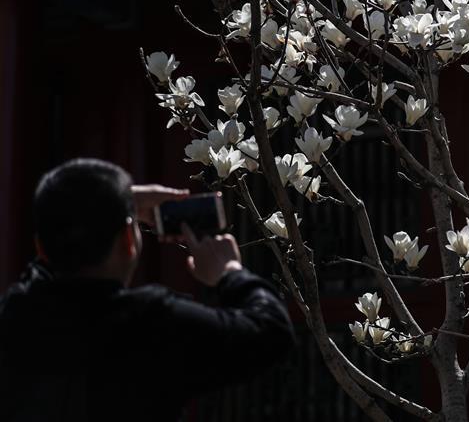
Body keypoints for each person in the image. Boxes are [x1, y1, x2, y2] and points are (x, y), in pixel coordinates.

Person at [0, 158, 296, 422]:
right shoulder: (150, 322)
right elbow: (271, 331)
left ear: (41, 247)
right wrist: (228, 273)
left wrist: (115, 204)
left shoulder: (18, 314)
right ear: (129, 239)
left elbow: (40, 273)